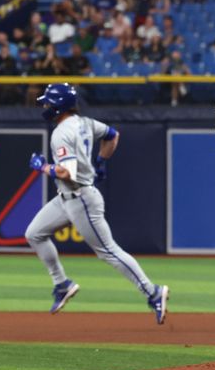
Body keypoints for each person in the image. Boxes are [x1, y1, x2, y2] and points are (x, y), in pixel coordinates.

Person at [25, 83, 170, 322]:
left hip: (81, 198)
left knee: (108, 251)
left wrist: (43, 167)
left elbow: (66, 172)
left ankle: (153, 292)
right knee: (34, 233)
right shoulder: (85, 122)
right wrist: (101, 162)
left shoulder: (61, 132)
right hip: (67, 198)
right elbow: (112, 135)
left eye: (48, 102)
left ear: (58, 106)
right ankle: (62, 284)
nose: (46, 106)